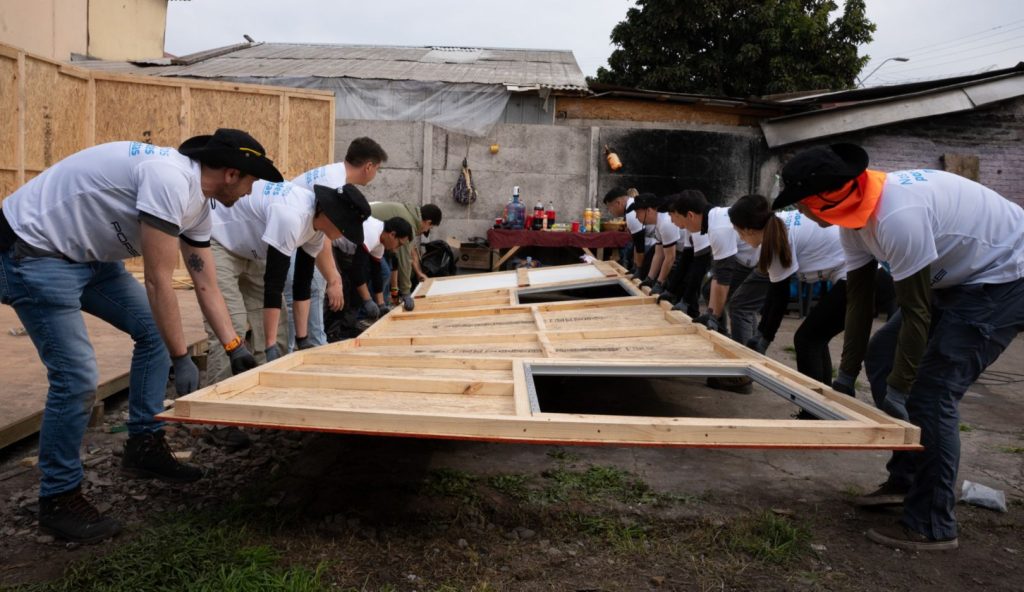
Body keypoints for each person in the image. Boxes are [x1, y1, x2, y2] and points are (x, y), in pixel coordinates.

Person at [0, 128, 280, 543]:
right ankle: (58, 499)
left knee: (153, 333)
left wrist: (234, 347)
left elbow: (205, 283)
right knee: (76, 379)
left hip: (89, 257)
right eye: (251, 181)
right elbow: (158, 280)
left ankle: (143, 446)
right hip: (34, 251)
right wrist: (181, 356)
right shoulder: (169, 179)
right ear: (231, 173)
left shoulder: (197, 206)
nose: (251, 191)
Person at [772, 142, 1024, 551]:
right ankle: (906, 480)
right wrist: (845, 376)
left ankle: (932, 523)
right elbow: (859, 301)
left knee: (932, 392)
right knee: (884, 355)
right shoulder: (853, 221)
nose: (799, 211)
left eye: (802, 203)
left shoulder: (897, 216)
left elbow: (917, 312)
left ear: (827, 197)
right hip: (956, 276)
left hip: (1004, 276)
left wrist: (900, 388)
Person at [205, 180, 370, 385]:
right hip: (218, 239)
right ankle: (215, 397)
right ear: (333, 216)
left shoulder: (317, 229)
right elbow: (274, 285)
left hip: (251, 249)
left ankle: (264, 390)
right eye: (346, 228)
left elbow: (302, 284)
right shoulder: (291, 215)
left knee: (280, 328)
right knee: (231, 329)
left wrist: (302, 339)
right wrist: (270, 346)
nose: (345, 235)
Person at [728, 193, 848, 417]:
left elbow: (780, 296)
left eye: (738, 232)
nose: (740, 238)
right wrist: (763, 332)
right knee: (815, 337)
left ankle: (813, 412)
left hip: (856, 276)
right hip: (853, 272)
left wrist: (765, 337)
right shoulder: (777, 225)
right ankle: (824, 405)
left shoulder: (774, 240)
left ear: (748, 230)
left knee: (806, 339)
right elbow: (774, 293)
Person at [288, 138, 388, 347]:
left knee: (314, 287)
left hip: (301, 236)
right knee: (305, 292)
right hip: (290, 235)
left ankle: (313, 343)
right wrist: (334, 280)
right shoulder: (335, 184)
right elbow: (324, 233)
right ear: (369, 166)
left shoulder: (336, 175)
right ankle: (298, 348)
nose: (375, 174)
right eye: (377, 169)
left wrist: (333, 278)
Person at [667, 190, 766, 344]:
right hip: (749, 258)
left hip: (759, 257)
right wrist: (711, 312)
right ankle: (727, 333)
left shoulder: (717, 229)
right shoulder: (714, 218)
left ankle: (743, 351)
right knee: (716, 292)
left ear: (690, 215)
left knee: (739, 306)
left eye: (679, 219)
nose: (680, 226)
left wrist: (714, 315)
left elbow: (724, 278)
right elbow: (718, 272)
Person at [326, 216, 413, 339]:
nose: (397, 248)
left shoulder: (380, 242)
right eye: (399, 244)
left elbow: (376, 272)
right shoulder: (372, 233)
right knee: (342, 287)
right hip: (329, 244)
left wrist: (381, 304)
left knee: (357, 288)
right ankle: (332, 332)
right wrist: (368, 300)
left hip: (346, 251)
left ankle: (346, 327)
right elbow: (357, 270)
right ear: (392, 234)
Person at [370, 201, 442, 311]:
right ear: (428, 222)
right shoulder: (409, 224)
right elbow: (404, 261)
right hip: (359, 233)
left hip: (367, 233)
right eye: (430, 228)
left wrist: (418, 273)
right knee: (384, 272)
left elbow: (410, 252)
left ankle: (381, 305)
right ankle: (371, 310)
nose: (426, 231)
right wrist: (406, 293)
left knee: (386, 269)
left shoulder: (410, 214)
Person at [627, 194, 678, 296]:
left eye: (638, 213)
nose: (636, 217)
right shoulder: (659, 222)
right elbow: (658, 254)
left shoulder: (665, 222)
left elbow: (670, 257)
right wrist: (650, 278)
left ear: (649, 210)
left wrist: (659, 282)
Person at [602, 186, 655, 275]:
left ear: (618, 203)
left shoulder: (631, 213)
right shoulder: (631, 205)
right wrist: (635, 266)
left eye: (609, 207)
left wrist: (639, 270)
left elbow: (640, 247)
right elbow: (636, 242)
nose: (609, 211)